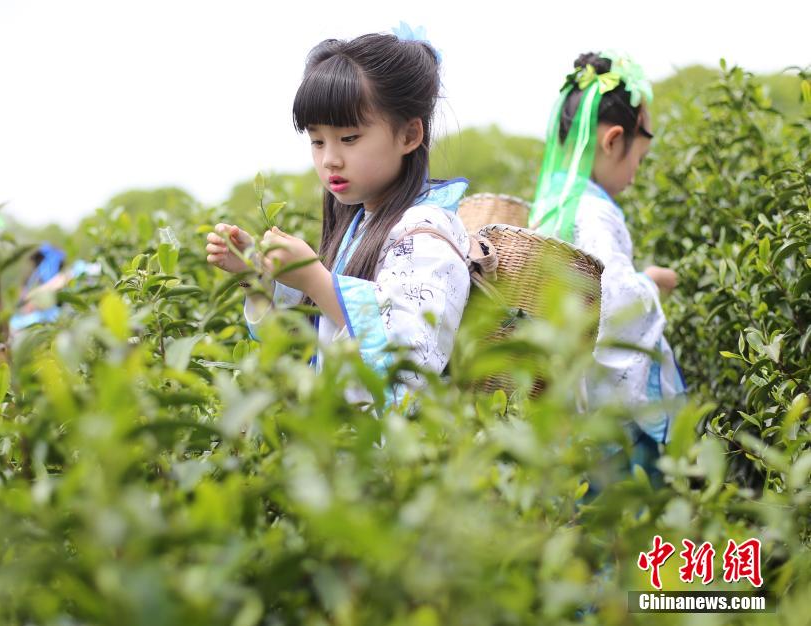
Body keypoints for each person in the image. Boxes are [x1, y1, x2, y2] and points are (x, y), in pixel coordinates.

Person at [206, 28, 471, 407]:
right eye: (317, 141)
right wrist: (259, 277)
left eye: (349, 138)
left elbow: (409, 361)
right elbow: (301, 349)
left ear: (410, 135)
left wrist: (314, 278)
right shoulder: (359, 226)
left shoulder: (427, 232)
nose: (330, 158)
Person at [529, 51, 685, 479]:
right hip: (605, 426)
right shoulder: (594, 214)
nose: (636, 173)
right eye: (640, 158)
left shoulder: (551, 204)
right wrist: (649, 283)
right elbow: (614, 306)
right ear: (614, 140)